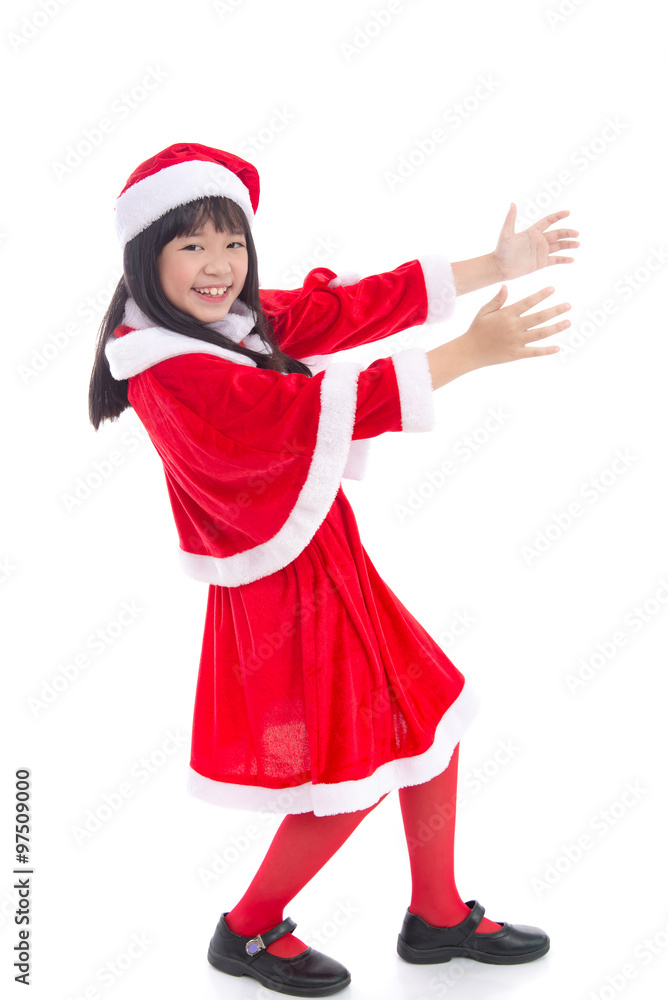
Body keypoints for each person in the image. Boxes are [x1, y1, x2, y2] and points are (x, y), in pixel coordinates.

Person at [88, 142, 578, 997]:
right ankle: (245, 930)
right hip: (284, 590)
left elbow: (343, 309)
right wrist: (468, 352)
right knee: (352, 768)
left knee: (429, 717)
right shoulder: (172, 369)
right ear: (145, 256)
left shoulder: (218, 325)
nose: (220, 266)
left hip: (324, 561)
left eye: (232, 243)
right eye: (192, 245)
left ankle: (436, 916)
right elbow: (306, 410)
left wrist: (493, 266)